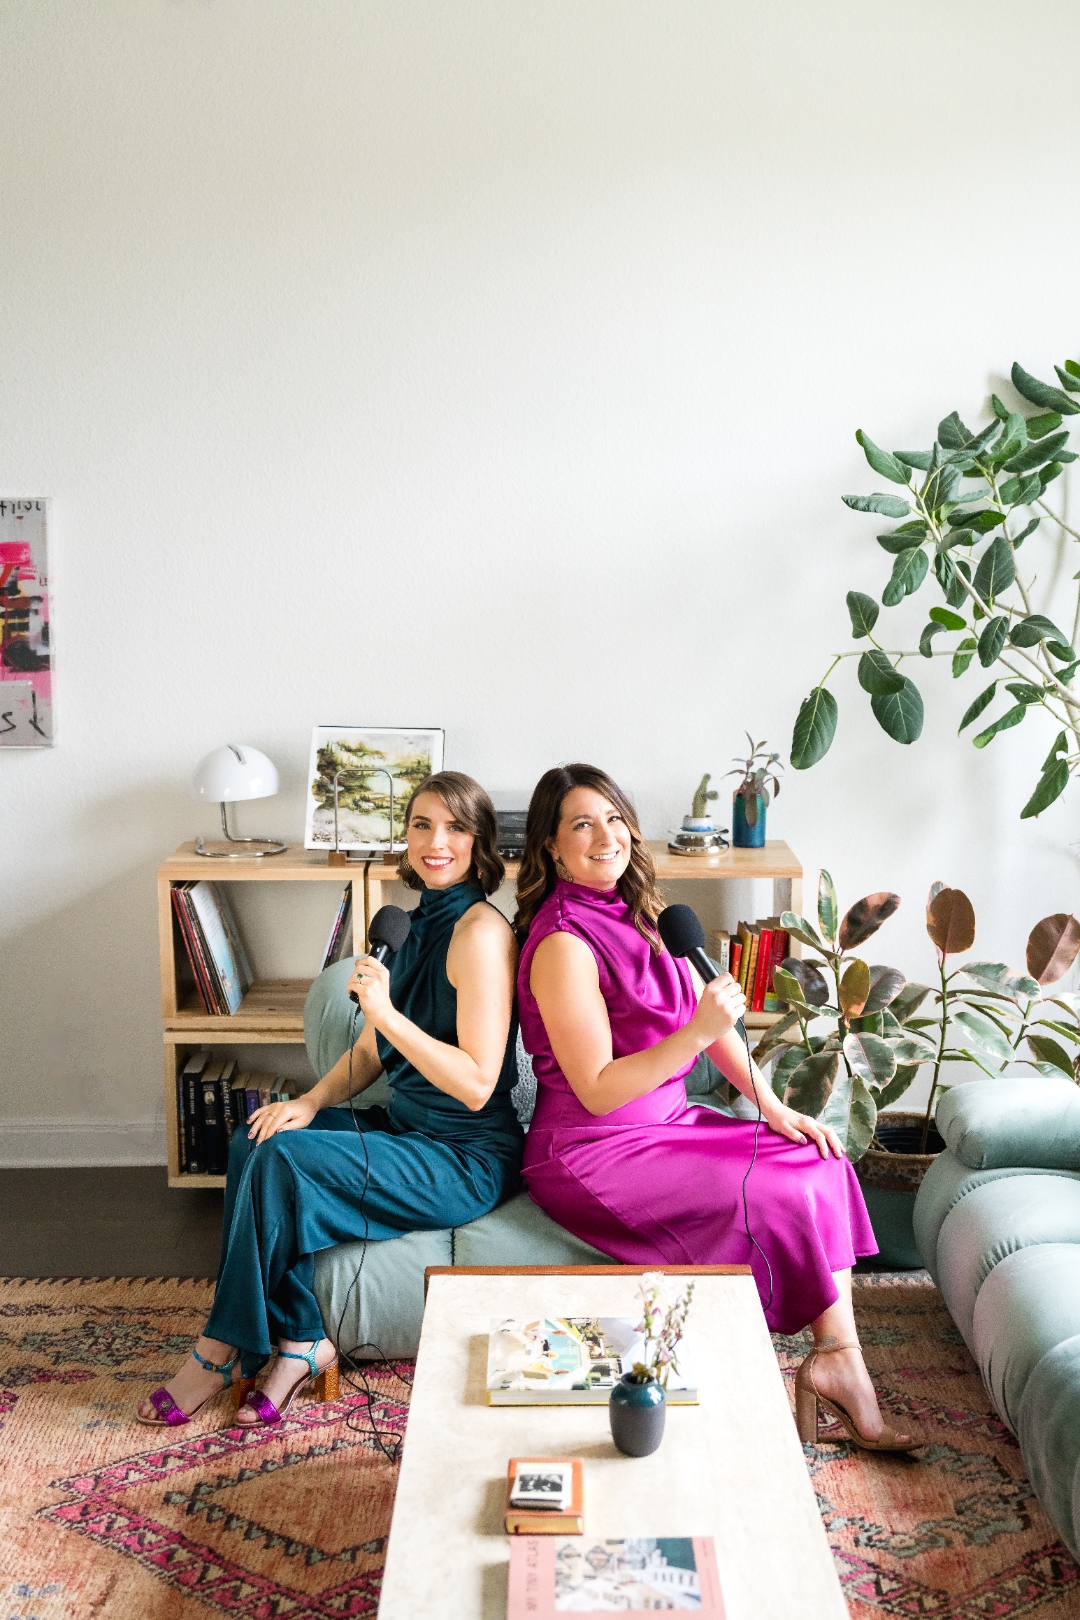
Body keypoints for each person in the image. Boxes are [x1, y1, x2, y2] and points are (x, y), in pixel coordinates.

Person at [514, 763, 922, 1453]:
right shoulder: (560, 943)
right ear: (552, 847)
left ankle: (836, 1361)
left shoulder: (643, 913)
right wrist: (695, 1034)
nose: (606, 836)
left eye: (614, 818)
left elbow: (719, 1022)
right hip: (592, 1148)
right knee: (782, 1188)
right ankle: (825, 1374)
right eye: (582, 824)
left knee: (819, 1158)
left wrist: (771, 1108)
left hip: (669, 1124)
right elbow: (598, 1088)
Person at [137, 771, 523, 1429]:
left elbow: (479, 1081)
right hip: (406, 1128)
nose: (437, 842)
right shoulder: (406, 924)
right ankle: (301, 1338)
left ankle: (221, 1348)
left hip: (464, 1157)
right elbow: (372, 1052)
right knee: (257, 1136)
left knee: (287, 1167)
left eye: (456, 827)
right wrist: (311, 1102)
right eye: (422, 825)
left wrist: (388, 1013)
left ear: (480, 841)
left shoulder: (483, 933)